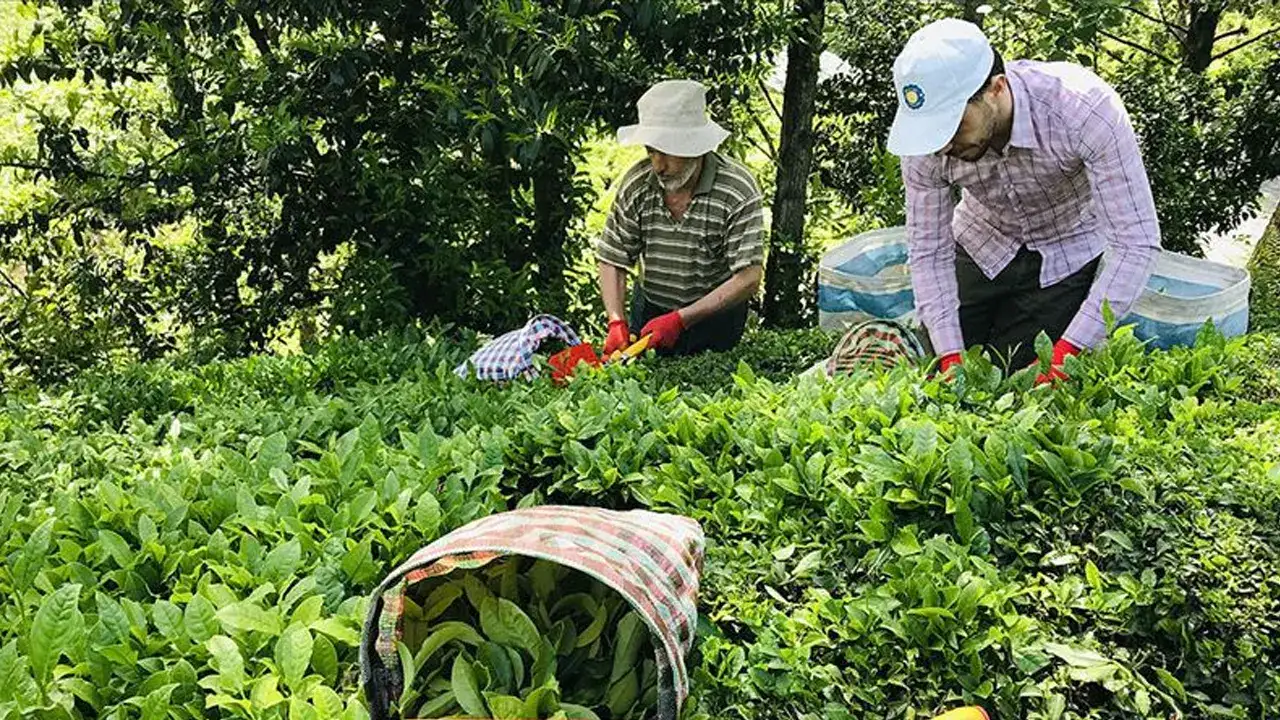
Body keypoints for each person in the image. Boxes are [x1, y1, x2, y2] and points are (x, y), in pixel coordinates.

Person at [887, 19, 1161, 383]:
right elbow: (929, 251)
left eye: (953, 126)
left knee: (1019, 381)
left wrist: (1068, 354)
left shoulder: (1085, 110)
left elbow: (1135, 243)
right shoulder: (928, 144)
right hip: (982, 239)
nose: (942, 146)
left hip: (1066, 249)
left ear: (996, 89)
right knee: (931, 370)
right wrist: (950, 356)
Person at [596, 79, 765, 357]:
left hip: (715, 319)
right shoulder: (638, 184)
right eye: (651, 151)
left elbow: (748, 277)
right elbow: (613, 257)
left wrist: (681, 319)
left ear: (694, 146)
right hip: (651, 313)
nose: (658, 166)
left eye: (667, 153)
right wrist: (616, 320)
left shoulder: (737, 190)